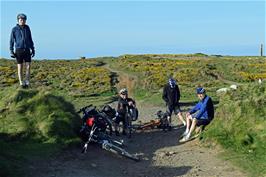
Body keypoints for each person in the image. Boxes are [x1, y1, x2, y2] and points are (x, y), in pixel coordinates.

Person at [10, 13, 35, 88]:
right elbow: (11, 41)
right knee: (20, 67)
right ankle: (21, 82)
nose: (22, 21)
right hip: (19, 50)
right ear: (18, 20)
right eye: (21, 20)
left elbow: (30, 39)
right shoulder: (14, 29)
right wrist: (11, 51)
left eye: (24, 20)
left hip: (27, 49)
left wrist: (33, 49)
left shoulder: (27, 28)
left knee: (28, 67)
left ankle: (27, 82)